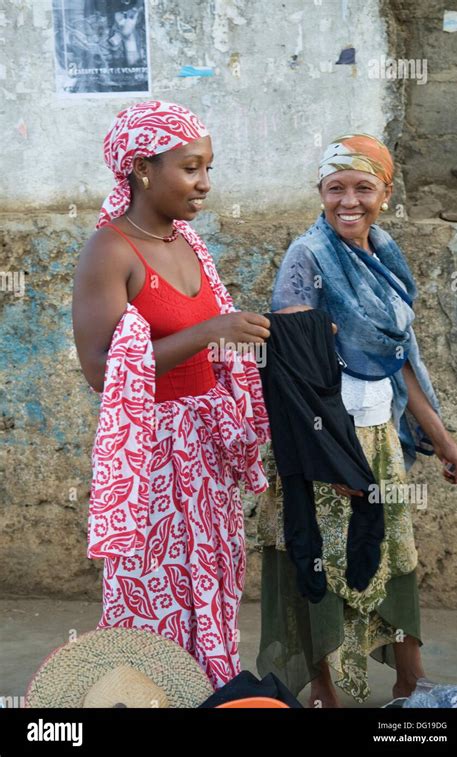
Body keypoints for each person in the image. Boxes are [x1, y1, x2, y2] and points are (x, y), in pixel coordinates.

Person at [255, 133, 457, 707]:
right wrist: (333, 454)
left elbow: (402, 363)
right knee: (319, 561)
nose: (348, 201)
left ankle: (410, 680)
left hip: (377, 438)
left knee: (395, 558)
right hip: (323, 441)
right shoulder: (308, 256)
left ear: (386, 192)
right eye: (335, 189)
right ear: (320, 193)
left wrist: (447, 446)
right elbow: (295, 369)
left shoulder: (386, 254)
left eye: (363, 188)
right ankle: (323, 690)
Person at [72, 100, 271, 689]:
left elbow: (215, 346)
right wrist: (210, 331)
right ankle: (146, 697)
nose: (205, 183)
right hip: (151, 458)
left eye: (208, 168)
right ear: (141, 169)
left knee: (209, 583)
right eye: (190, 168)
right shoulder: (109, 251)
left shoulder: (189, 244)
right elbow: (102, 372)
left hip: (206, 454)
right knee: (152, 591)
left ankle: (204, 694)